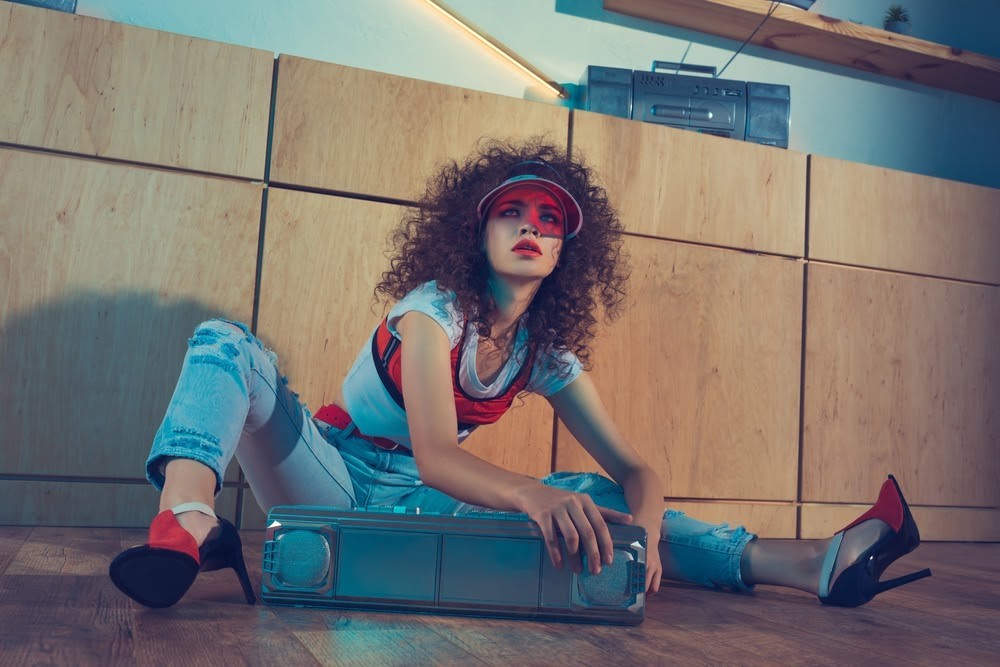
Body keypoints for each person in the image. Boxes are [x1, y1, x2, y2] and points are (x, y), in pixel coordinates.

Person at [109, 138, 930, 610]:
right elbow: (438, 454)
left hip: (424, 507)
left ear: (567, 249)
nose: (531, 227)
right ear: (478, 231)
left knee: (592, 499)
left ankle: (814, 564)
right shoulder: (433, 310)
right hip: (330, 476)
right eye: (512, 212)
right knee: (226, 341)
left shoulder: (544, 351)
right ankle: (186, 516)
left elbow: (636, 470)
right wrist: (531, 493)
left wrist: (640, 532)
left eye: (548, 220)